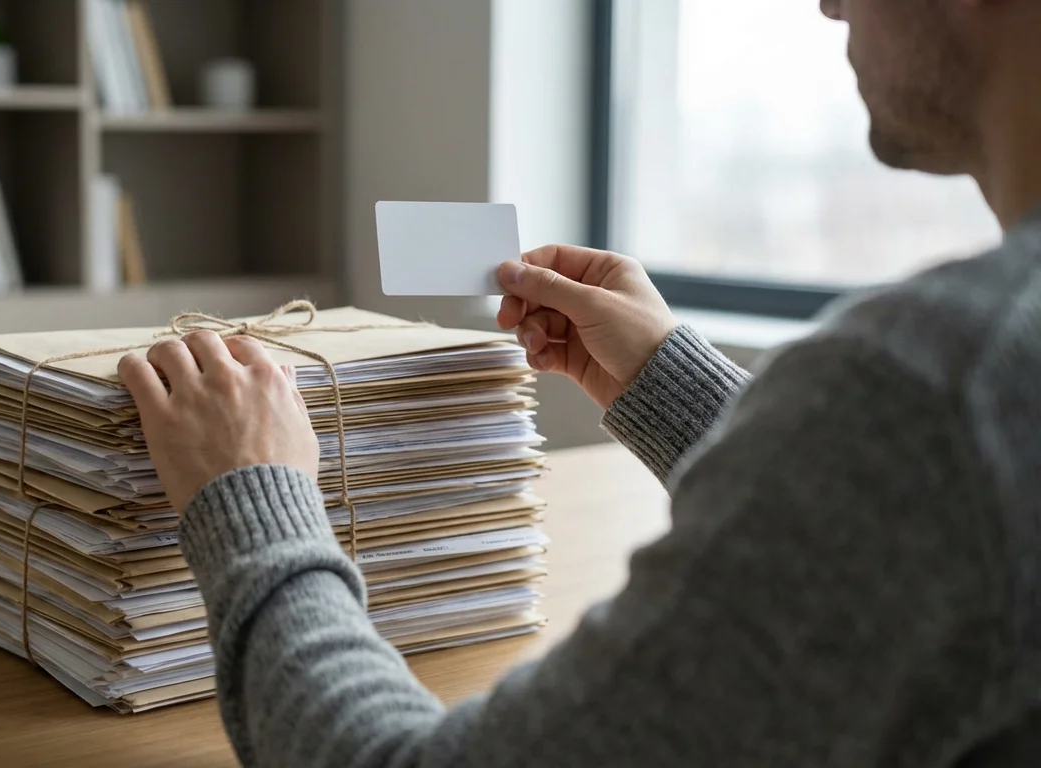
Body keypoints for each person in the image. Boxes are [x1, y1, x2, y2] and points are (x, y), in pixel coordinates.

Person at [115, 0, 1040, 765]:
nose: (828, 2)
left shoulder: (935, 390)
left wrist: (252, 498)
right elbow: (880, 550)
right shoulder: (968, 390)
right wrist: (674, 386)